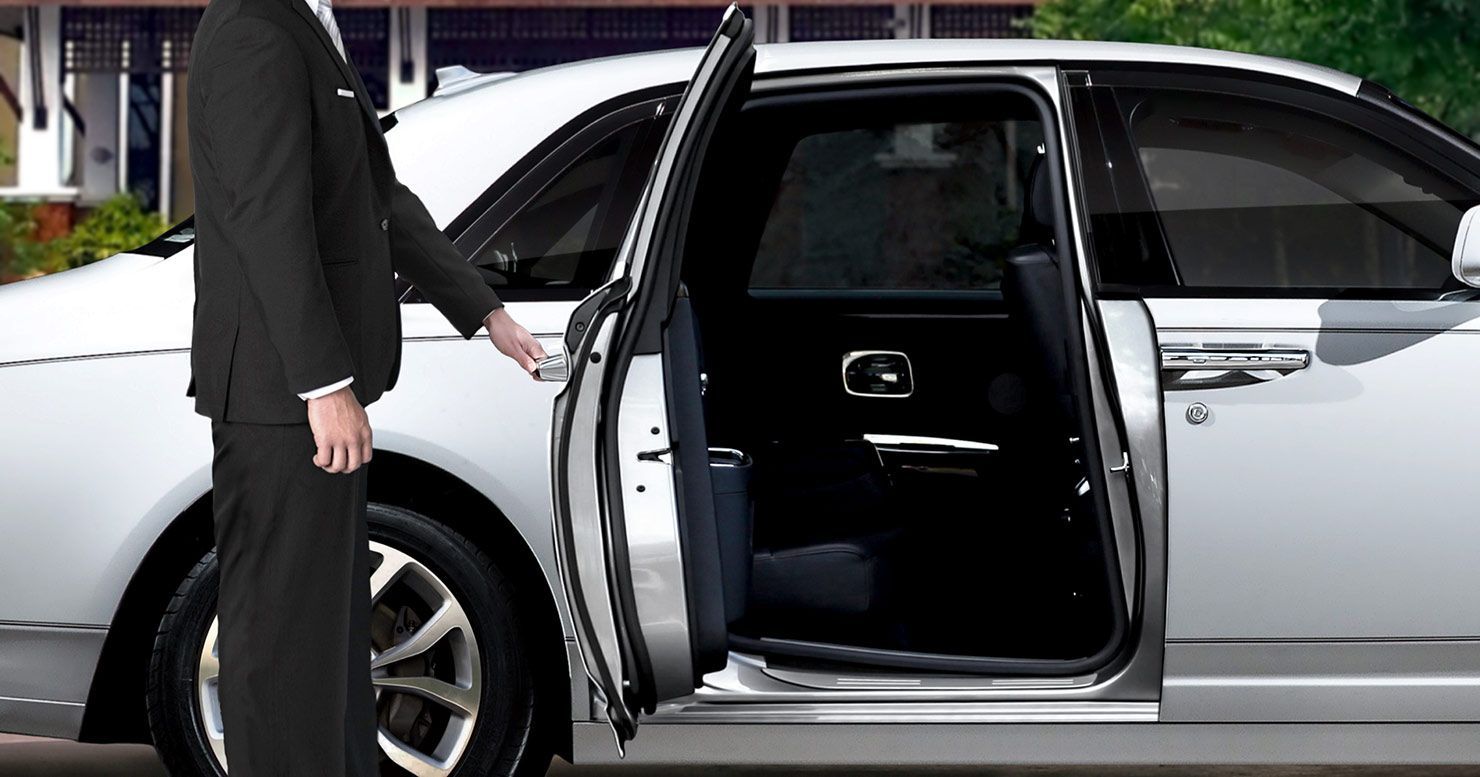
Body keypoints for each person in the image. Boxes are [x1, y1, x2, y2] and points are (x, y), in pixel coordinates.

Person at [184, 0, 546, 772]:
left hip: (299, 395)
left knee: (328, 637)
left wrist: (484, 311)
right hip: (280, 398)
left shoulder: (304, 19)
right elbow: (268, 218)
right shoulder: (255, 27)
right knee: (287, 643)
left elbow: (378, 199)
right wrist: (323, 384)